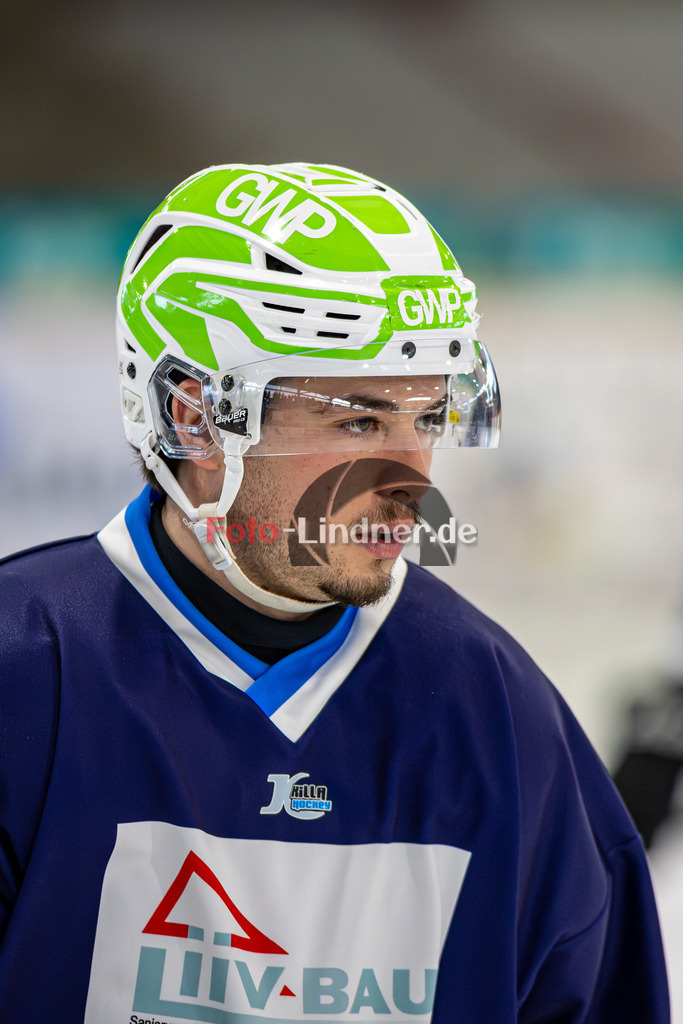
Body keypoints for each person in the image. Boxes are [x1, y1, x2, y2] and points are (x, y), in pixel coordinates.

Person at [0, 163, 668, 1023]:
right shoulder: (26, 676)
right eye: (358, 420)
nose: (411, 481)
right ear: (193, 417)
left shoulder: (500, 713)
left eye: (425, 418)